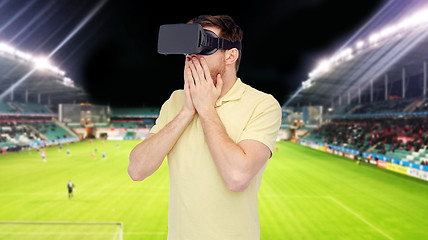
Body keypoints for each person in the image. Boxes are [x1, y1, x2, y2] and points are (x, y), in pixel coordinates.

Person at [128, 15, 282, 240]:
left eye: (203, 46)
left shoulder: (263, 104)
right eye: (188, 48)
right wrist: (187, 112)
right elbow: (136, 170)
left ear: (231, 55)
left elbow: (237, 177)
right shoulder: (176, 101)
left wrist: (206, 108)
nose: (191, 56)